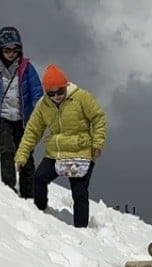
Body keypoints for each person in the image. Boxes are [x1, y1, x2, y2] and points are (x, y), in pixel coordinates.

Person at [15, 65, 106, 228]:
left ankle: (81, 229)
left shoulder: (81, 97)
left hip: (80, 152)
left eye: (60, 92)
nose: (56, 96)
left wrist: (97, 144)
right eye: (51, 93)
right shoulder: (43, 105)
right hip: (55, 153)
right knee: (38, 179)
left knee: (79, 193)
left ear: (65, 87)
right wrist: (22, 155)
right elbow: (32, 131)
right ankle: (40, 211)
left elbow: (98, 118)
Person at [0, 26, 42, 196]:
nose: (11, 53)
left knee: (25, 155)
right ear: (0, 50)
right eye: (7, 49)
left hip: (23, 120)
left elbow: (37, 94)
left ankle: (29, 194)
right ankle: (9, 190)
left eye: (15, 49)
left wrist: (38, 114)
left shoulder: (27, 69)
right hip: (2, 119)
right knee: (7, 152)